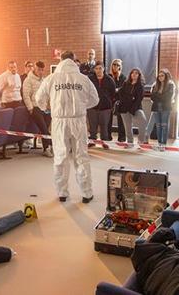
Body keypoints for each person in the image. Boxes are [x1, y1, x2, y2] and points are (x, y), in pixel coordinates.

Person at [35, 50, 99, 203]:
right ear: (73, 59)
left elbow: (39, 98)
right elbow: (95, 100)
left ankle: (62, 192)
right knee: (81, 156)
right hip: (78, 121)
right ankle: (86, 193)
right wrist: (82, 106)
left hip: (59, 122)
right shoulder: (83, 79)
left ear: (60, 60)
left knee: (61, 156)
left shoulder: (51, 78)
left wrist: (46, 108)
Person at [23, 61, 53, 157]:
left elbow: (47, 94)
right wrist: (30, 108)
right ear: (35, 69)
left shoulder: (44, 80)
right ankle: (48, 147)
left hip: (45, 107)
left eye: (42, 70)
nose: (40, 71)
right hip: (35, 107)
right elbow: (26, 95)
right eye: (38, 69)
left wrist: (49, 104)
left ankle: (48, 145)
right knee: (44, 128)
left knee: (46, 128)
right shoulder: (28, 80)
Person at [145, 69, 175, 147]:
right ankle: (159, 143)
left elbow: (168, 97)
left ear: (166, 76)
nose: (160, 77)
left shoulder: (170, 85)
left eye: (162, 76)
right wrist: (160, 96)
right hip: (156, 107)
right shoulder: (155, 85)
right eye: (159, 76)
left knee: (164, 125)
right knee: (158, 126)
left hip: (166, 107)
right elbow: (152, 97)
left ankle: (163, 143)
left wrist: (158, 96)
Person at [87, 61, 116, 144]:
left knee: (104, 129)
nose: (98, 70)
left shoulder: (109, 80)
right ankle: (92, 142)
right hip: (92, 107)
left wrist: (108, 102)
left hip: (105, 108)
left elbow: (113, 93)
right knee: (92, 128)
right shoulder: (90, 79)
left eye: (100, 68)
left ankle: (105, 143)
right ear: (94, 70)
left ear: (103, 69)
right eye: (96, 68)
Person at [117, 68, 148, 145]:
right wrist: (130, 98)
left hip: (136, 108)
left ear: (139, 75)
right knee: (128, 126)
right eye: (132, 73)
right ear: (130, 74)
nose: (134, 74)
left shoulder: (140, 86)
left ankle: (141, 140)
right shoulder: (125, 83)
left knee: (143, 121)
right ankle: (130, 142)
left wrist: (132, 109)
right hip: (124, 108)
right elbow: (121, 94)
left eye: (136, 73)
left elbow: (139, 99)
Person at [109, 59, 127, 142]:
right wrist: (115, 90)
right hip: (110, 100)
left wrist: (117, 90)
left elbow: (123, 89)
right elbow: (108, 88)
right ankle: (107, 137)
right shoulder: (109, 76)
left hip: (120, 101)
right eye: (114, 64)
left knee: (121, 120)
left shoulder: (123, 77)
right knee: (108, 120)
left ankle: (122, 138)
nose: (116, 66)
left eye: (118, 65)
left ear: (120, 67)